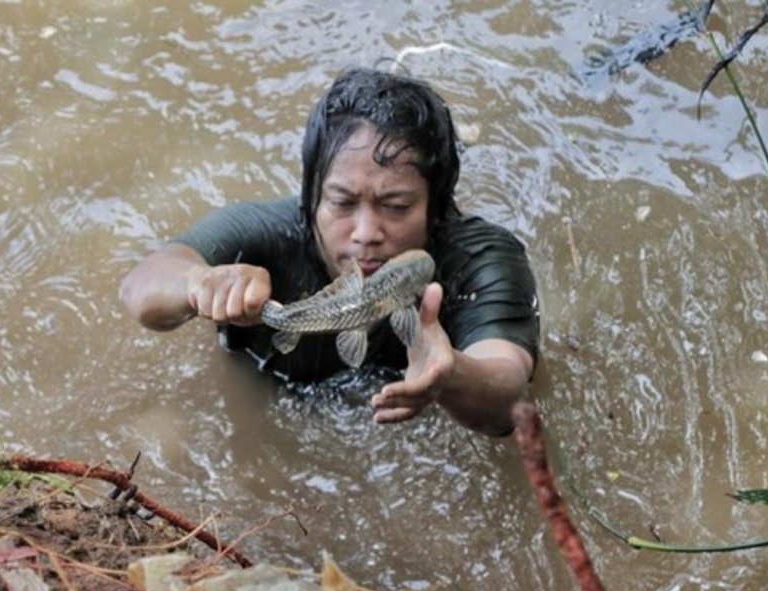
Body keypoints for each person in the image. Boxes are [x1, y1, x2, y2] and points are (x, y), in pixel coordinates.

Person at [120, 67, 539, 436]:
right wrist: (200, 283)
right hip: (270, 395)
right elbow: (140, 288)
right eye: (341, 202)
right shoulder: (268, 236)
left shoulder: (479, 258)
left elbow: (509, 388)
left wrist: (453, 374)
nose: (366, 233)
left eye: (396, 206)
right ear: (312, 199)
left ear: (436, 207)